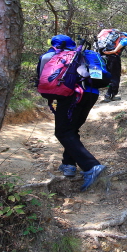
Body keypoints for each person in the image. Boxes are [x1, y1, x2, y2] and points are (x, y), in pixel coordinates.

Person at [37, 34, 106, 192]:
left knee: (62, 132)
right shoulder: (82, 54)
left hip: (72, 95)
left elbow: (43, 79)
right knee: (71, 129)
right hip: (91, 94)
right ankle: (68, 165)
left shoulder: (50, 56)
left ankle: (91, 166)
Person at [101, 31, 127, 103]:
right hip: (113, 58)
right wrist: (114, 51)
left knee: (107, 75)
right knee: (115, 76)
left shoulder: (107, 39)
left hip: (103, 57)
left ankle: (107, 94)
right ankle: (110, 95)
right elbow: (124, 42)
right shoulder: (125, 38)